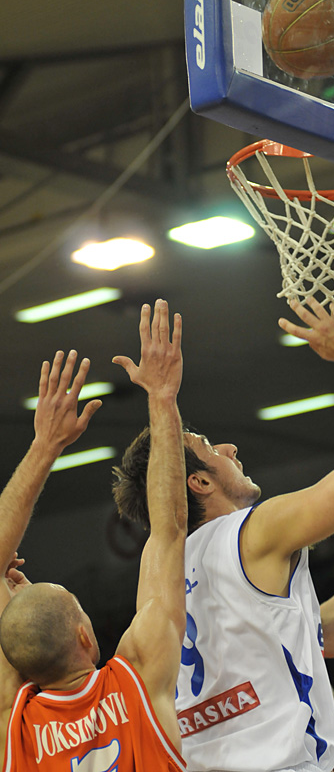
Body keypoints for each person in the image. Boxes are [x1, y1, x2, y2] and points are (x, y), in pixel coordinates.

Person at [113, 296, 334, 772]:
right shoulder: (253, 532)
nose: (230, 446)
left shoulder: (155, 577)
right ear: (198, 483)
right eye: (209, 446)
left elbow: (323, 635)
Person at [0, 300, 187, 772]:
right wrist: (162, 397)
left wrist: (44, 447)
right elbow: (168, 532)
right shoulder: (136, 678)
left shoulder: (11, 727)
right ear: (85, 634)